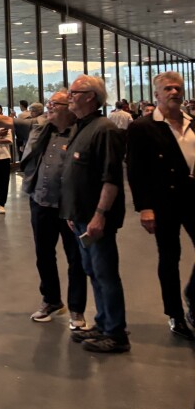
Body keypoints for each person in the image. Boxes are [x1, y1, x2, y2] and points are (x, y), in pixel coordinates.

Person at [0, 91, 88, 329]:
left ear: (69, 108)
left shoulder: (82, 132)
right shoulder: (39, 126)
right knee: (44, 255)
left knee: (76, 258)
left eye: (54, 104)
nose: (49, 108)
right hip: (41, 201)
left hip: (70, 206)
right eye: (49, 103)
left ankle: (77, 309)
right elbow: (7, 121)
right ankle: (51, 300)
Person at [63, 74, 130, 354]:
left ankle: (116, 333)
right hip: (81, 217)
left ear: (90, 96)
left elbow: (110, 178)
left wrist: (100, 214)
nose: (69, 96)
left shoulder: (104, 130)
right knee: (92, 271)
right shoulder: (82, 127)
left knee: (105, 273)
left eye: (74, 92)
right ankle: (103, 323)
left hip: (96, 219)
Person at [126, 71, 195, 340]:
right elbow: (136, 171)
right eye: (168, 89)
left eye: (178, 88)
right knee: (169, 258)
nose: (174, 92)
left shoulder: (192, 123)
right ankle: (175, 314)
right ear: (157, 94)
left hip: (193, 198)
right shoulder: (143, 127)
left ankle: (191, 294)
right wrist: (144, 207)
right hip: (163, 201)